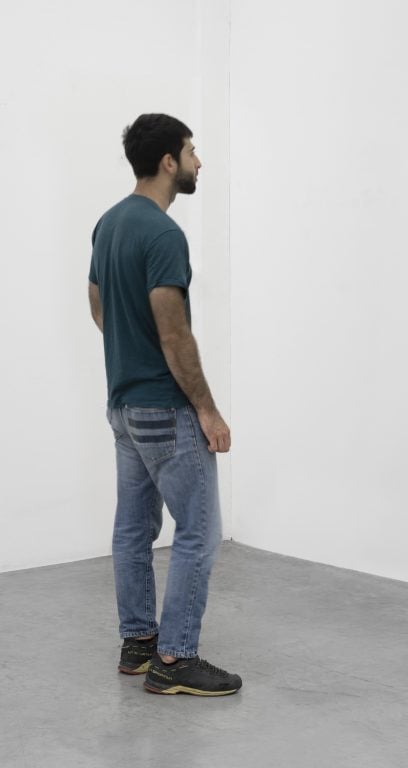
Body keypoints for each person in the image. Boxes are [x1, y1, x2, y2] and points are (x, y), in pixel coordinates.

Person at [88, 114, 241, 696]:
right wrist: (207, 410)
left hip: (123, 407)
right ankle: (174, 660)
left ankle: (138, 645)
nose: (200, 162)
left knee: (133, 528)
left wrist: (128, 347)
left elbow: (97, 300)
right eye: (192, 151)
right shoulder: (162, 234)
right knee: (200, 531)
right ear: (169, 162)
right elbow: (175, 335)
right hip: (164, 408)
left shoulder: (109, 224)